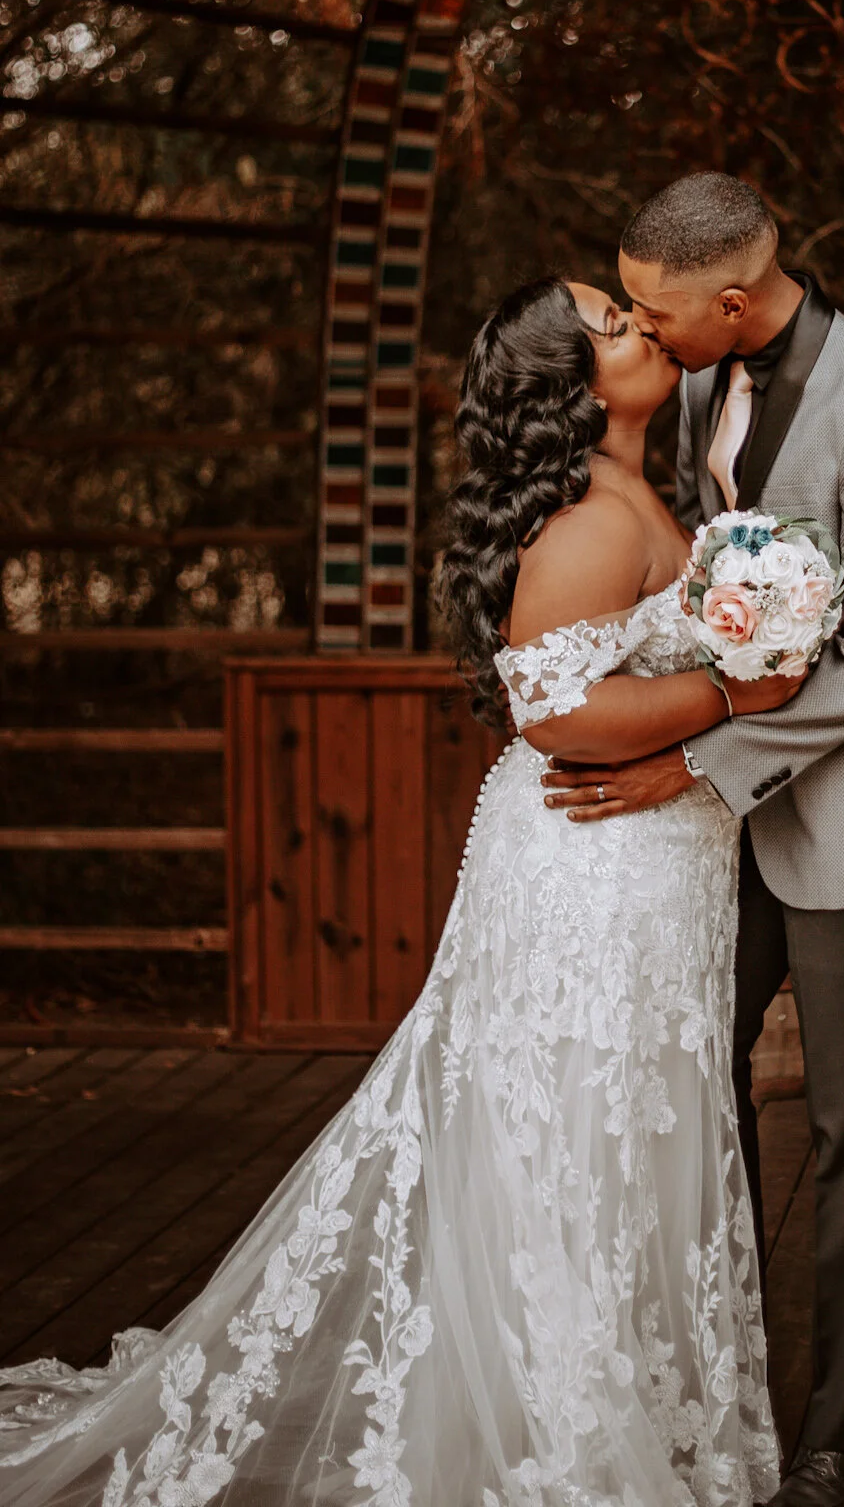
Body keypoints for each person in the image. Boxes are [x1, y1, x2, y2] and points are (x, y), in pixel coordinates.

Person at [0, 275, 800, 1507]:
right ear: (573, 390)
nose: (642, 325)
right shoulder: (594, 519)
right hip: (594, 870)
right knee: (579, 1127)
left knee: (618, 1124)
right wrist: (738, 692)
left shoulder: (646, 489)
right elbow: (556, 713)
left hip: (645, 858)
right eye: (613, 321)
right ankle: (560, 1429)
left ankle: (604, 1400)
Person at [543, 176, 844, 1507]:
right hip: (719, 831)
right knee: (685, 1088)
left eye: (658, 312)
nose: (643, 331)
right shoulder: (689, 384)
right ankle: (700, 1383)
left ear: (733, 301)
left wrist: (691, 755)